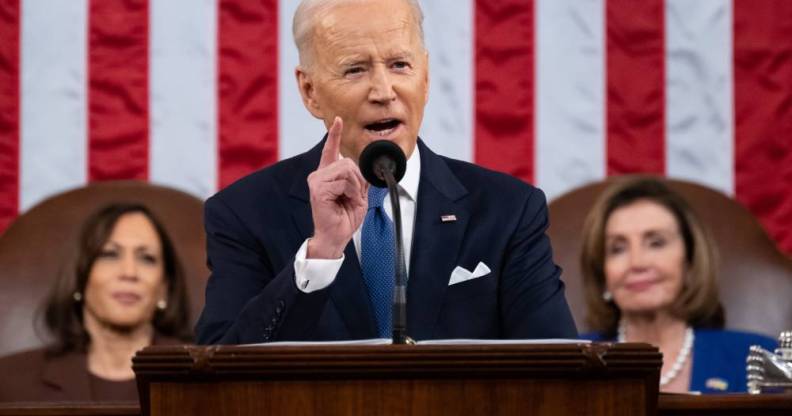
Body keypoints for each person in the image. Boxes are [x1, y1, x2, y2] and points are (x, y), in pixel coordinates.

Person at [195, 0, 577, 345]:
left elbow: (557, 367)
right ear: (310, 91)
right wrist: (321, 255)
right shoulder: (244, 214)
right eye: (355, 69)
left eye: (399, 65)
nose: (383, 91)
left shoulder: (508, 209)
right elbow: (218, 371)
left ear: (424, 77)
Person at [579, 177, 777, 393]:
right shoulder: (570, 363)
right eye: (618, 248)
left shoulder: (757, 359)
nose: (637, 263)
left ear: (690, 262)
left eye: (656, 243)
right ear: (602, 273)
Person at [0, 203, 192, 402]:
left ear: (164, 287)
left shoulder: (204, 381)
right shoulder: (8, 383)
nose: (129, 272)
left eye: (147, 258)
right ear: (80, 277)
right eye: (109, 254)